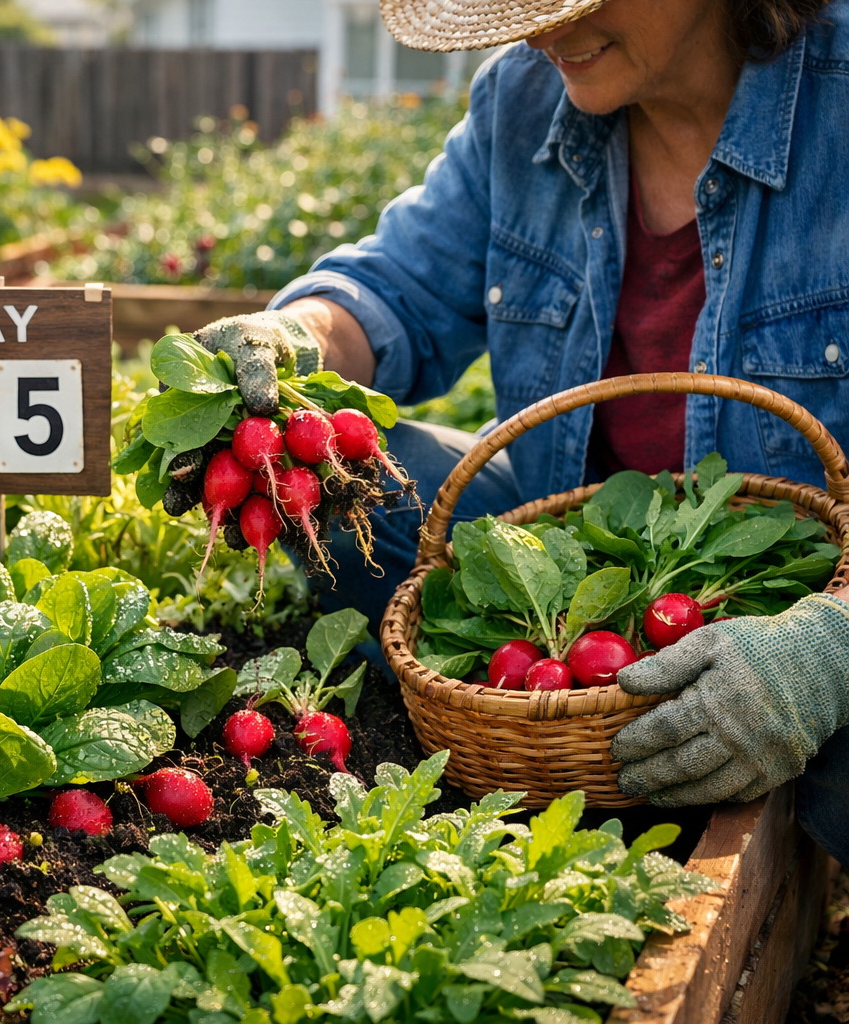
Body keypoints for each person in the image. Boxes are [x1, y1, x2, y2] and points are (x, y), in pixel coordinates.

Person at [193, 0, 849, 861]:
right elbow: (397, 289)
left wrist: (832, 645)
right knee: (365, 492)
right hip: (578, 574)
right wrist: (300, 339)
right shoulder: (525, 99)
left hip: (793, 597)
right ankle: (567, 750)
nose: (540, 31)